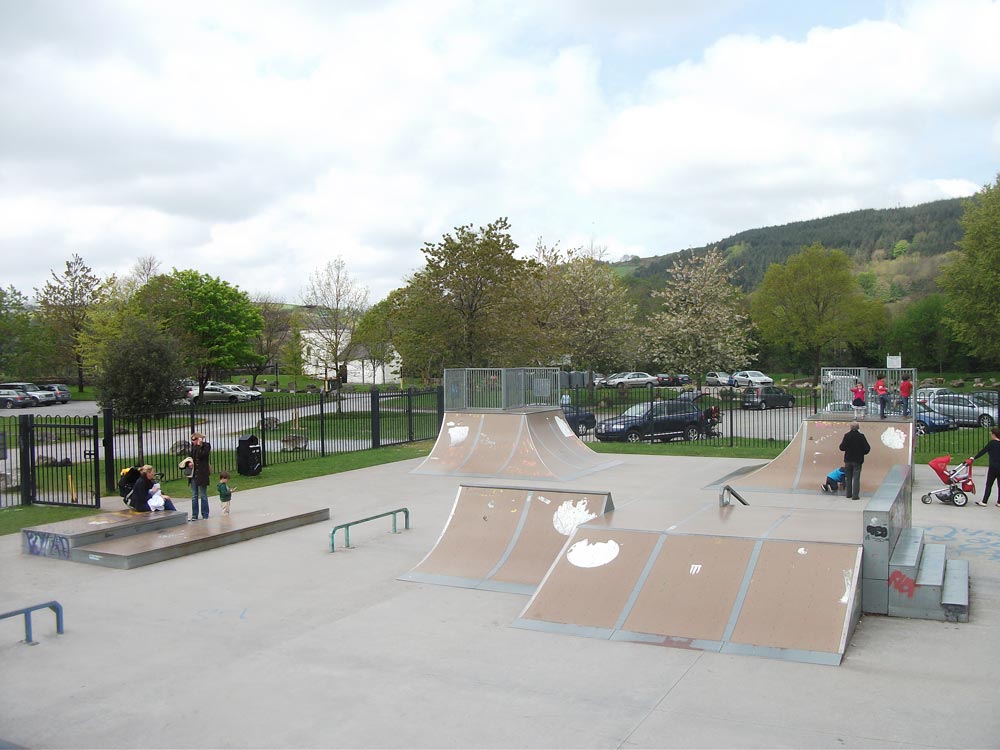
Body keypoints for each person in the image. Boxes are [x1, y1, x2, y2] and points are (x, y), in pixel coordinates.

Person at [839, 422, 871, 500]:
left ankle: (848, 494)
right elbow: (867, 448)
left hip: (848, 460)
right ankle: (855, 495)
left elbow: (841, 447)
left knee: (848, 478)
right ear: (858, 428)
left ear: (850, 428)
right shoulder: (861, 436)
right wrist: (862, 453)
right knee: (856, 478)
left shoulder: (847, 436)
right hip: (857, 460)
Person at [971, 426, 1000, 507]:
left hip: (993, 467)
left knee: (989, 484)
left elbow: (983, 451)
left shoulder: (992, 443)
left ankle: (984, 501)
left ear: (994, 435)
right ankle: (999, 502)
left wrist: (974, 457)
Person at [189, 432, 212, 521]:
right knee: (194, 495)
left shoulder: (206, 446)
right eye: (192, 440)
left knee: (203, 495)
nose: (193, 442)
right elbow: (190, 457)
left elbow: (202, 455)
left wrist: (199, 445)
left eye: (194, 439)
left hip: (202, 474)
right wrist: (189, 463)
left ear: (199, 439)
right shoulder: (193, 448)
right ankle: (195, 514)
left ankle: (205, 514)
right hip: (194, 474)